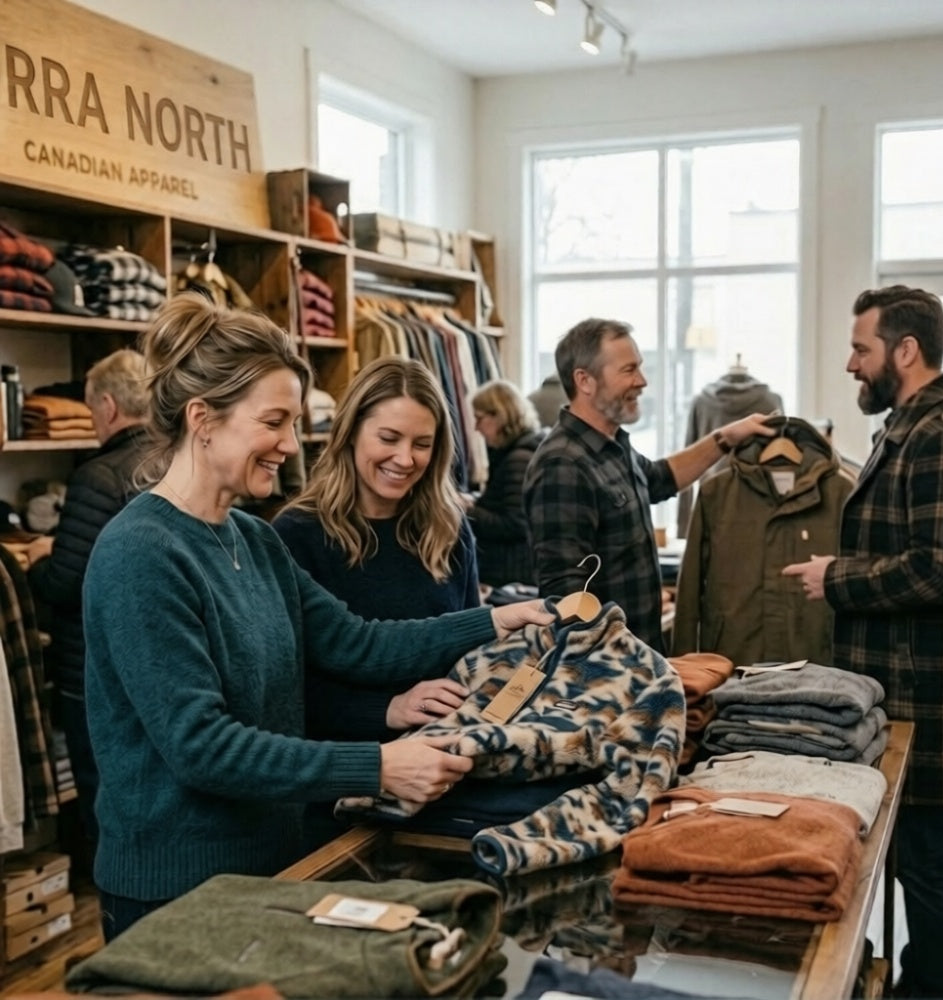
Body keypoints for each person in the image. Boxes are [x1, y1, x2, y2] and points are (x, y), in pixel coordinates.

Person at [81, 294, 551, 942]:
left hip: (278, 863)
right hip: (176, 892)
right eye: (274, 422)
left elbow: (357, 642)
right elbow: (202, 746)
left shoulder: (253, 539)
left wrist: (497, 621)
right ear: (203, 419)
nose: (289, 444)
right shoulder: (140, 554)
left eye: (294, 422)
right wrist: (378, 765)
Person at [782, 285, 943, 1000]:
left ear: (905, 350)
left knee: (930, 859)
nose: (851, 363)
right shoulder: (911, 425)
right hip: (905, 683)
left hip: (929, 689)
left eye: (861, 348)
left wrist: (836, 578)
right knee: (916, 855)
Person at [524, 317, 773, 653]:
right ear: (584, 381)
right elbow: (567, 600)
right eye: (629, 370)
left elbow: (660, 478)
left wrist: (726, 437)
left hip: (640, 656)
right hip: (609, 667)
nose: (641, 381)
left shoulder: (612, 447)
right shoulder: (563, 464)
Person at [273, 356, 479, 747]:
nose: (405, 459)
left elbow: (472, 653)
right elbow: (285, 685)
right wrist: (387, 708)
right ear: (351, 431)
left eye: (422, 444)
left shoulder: (448, 528)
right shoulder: (297, 534)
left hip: (449, 750)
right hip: (349, 762)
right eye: (388, 438)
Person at [26, 349, 151, 857]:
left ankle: (113, 886)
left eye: (91, 407)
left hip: (95, 667)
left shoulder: (99, 476)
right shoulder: (170, 460)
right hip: (152, 656)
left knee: (104, 793)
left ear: (108, 406)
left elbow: (68, 582)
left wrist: (38, 560)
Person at [461, 379, 544, 587]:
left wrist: (467, 510)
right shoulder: (521, 452)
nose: (476, 427)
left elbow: (514, 524)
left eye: (479, 418)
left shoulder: (518, 460)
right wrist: (476, 500)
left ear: (499, 415)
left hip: (511, 573)